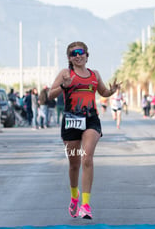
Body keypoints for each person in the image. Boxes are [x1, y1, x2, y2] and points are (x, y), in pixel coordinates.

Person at [48, 41, 121, 219]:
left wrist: (111, 91)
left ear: (87, 55)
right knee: (74, 164)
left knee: (87, 157)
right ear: (69, 58)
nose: (78, 55)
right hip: (71, 121)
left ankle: (85, 205)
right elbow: (50, 95)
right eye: (74, 53)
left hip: (91, 119)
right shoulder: (65, 74)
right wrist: (64, 86)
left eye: (81, 52)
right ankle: (75, 197)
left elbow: (102, 92)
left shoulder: (94, 74)